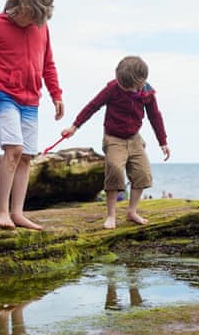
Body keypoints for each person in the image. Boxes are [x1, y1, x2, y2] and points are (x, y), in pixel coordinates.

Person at [0, 0, 64, 231]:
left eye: (39, 18)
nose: (33, 22)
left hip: (31, 99)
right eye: (30, 16)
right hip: (3, 94)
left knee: (26, 156)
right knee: (13, 149)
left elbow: (48, 64)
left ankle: (17, 213)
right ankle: (1, 211)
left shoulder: (41, 26)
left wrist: (56, 94)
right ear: (19, 4)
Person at [62, 55, 170, 229]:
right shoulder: (112, 88)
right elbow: (92, 106)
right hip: (114, 138)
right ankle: (111, 215)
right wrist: (74, 126)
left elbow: (155, 116)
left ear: (141, 82)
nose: (122, 87)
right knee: (114, 169)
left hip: (134, 138)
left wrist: (162, 141)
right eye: (120, 82)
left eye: (126, 86)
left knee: (142, 174)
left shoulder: (147, 94)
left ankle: (132, 211)